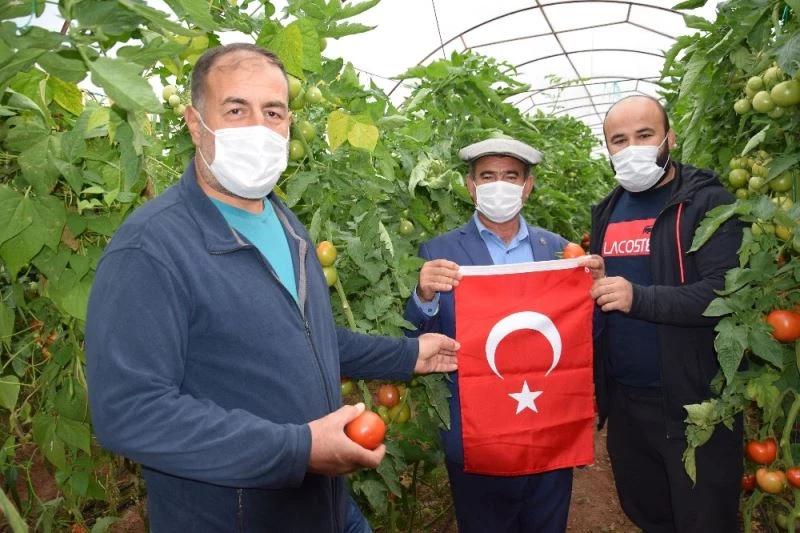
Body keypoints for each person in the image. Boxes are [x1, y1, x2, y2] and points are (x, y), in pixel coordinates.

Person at [84, 43, 460, 532]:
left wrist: (406, 355)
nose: (259, 128)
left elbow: (308, 337)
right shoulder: (152, 249)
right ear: (196, 125)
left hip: (323, 505)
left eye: (274, 112)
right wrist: (298, 450)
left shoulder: (285, 224)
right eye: (236, 109)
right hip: (234, 517)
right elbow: (129, 412)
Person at [584, 95, 744, 532]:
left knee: (704, 518)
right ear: (608, 150)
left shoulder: (707, 203)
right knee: (646, 511)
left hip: (693, 401)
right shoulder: (608, 210)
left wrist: (640, 298)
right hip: (626, 400)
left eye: (644, 135)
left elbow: (724, 293)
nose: (631, 147)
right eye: (619, 139)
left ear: (669, 138)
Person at [402, 137, 573, 533]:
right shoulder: (439, 252)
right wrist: (423, 295)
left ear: (527, 186)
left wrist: (593, 290)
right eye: (488, 176)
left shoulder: (558, 252)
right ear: (471, 186)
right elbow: (415, 335)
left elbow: (583, 337)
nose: (500, 185)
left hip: (547, 426)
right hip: (476, 432)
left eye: (511, 176)